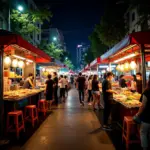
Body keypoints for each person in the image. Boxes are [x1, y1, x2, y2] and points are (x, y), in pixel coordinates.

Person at [135, 80, 150, 150]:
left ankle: (144, 148)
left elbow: (143, 106)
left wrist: (137, 114)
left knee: (143, 132)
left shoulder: (146, 92)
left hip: (147, 117)